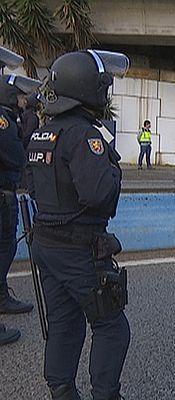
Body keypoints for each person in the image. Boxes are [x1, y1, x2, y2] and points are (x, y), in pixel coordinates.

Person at [26, 49, 130, 400]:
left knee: (64, 323)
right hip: (79, 248)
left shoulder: (41, 134)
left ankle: (61, 390)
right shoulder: (86, 136)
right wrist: (114, 169)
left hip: (46, 245)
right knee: (112, 327)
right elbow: (101, 195)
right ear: (88, 88)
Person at [0, 47, 40, 346]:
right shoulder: (4, 120)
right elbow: (15, 155)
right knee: (3, 251)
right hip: (3, 193)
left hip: (7, 189)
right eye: (19, 96)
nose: (23, 100)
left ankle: (2, 295)